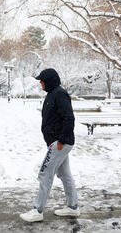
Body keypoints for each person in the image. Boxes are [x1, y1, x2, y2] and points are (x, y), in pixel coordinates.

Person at [20, 68, 79, 222]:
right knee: (65, 174)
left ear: (49, 81)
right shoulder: (52, 94)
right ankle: (73, 207)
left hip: (60, 143)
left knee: (45, 174)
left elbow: (69, 118)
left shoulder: (59, 94)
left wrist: (61, 140)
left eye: (42, 80)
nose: (40, 83)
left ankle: (37, 210)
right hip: (59, 143)